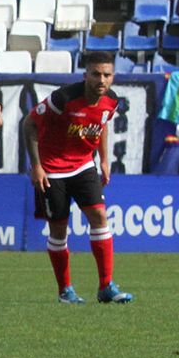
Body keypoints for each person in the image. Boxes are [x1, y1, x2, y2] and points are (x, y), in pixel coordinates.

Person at [23, 53, 132, 305]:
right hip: (52, 170)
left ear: (113, 77)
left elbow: (101, 126)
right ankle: (65, 291)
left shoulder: (111, 101)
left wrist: (104, 161)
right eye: (95, 74)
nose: (101, 79)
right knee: (59, 229)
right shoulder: (63, 98)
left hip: (84, 166)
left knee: (99, 216)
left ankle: (106, 286)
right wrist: (36, 166)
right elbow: (29, 124)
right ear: (85, 76)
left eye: (106, 74)